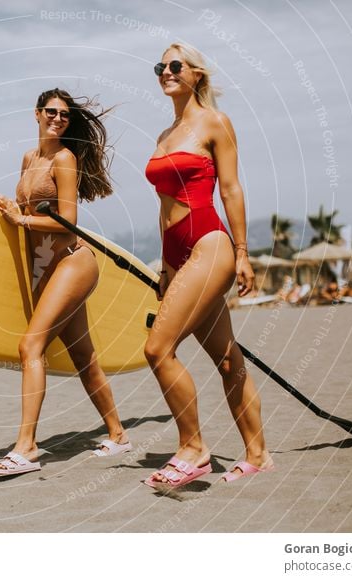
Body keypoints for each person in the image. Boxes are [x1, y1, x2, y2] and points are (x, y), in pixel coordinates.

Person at [142, 43, 274, 490]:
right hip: (178, 256)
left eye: (175, 65)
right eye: (160, 66)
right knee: (226, 358)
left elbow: (232, 190)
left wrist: (242, 252)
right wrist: (165, 267)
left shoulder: (215, 123)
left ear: (197, 74)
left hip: (210, 244)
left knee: (157, 349)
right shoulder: (164, 135)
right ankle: (258, 454)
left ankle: (194, 450)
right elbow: (163, 208)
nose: (166, 72)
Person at [0, 88, 130, 475]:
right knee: (83, 357)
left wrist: (23, 220)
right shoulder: (29, 158)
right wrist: (13, 212)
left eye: (65, 115)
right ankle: (118, 434)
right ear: (36, 114)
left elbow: (68, 219)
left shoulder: (64, 159)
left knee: (30, 347)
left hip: (73, 263)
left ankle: (26, 448)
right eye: (51, 112)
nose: (58, 119)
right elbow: (28, 210)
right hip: (47, 268)